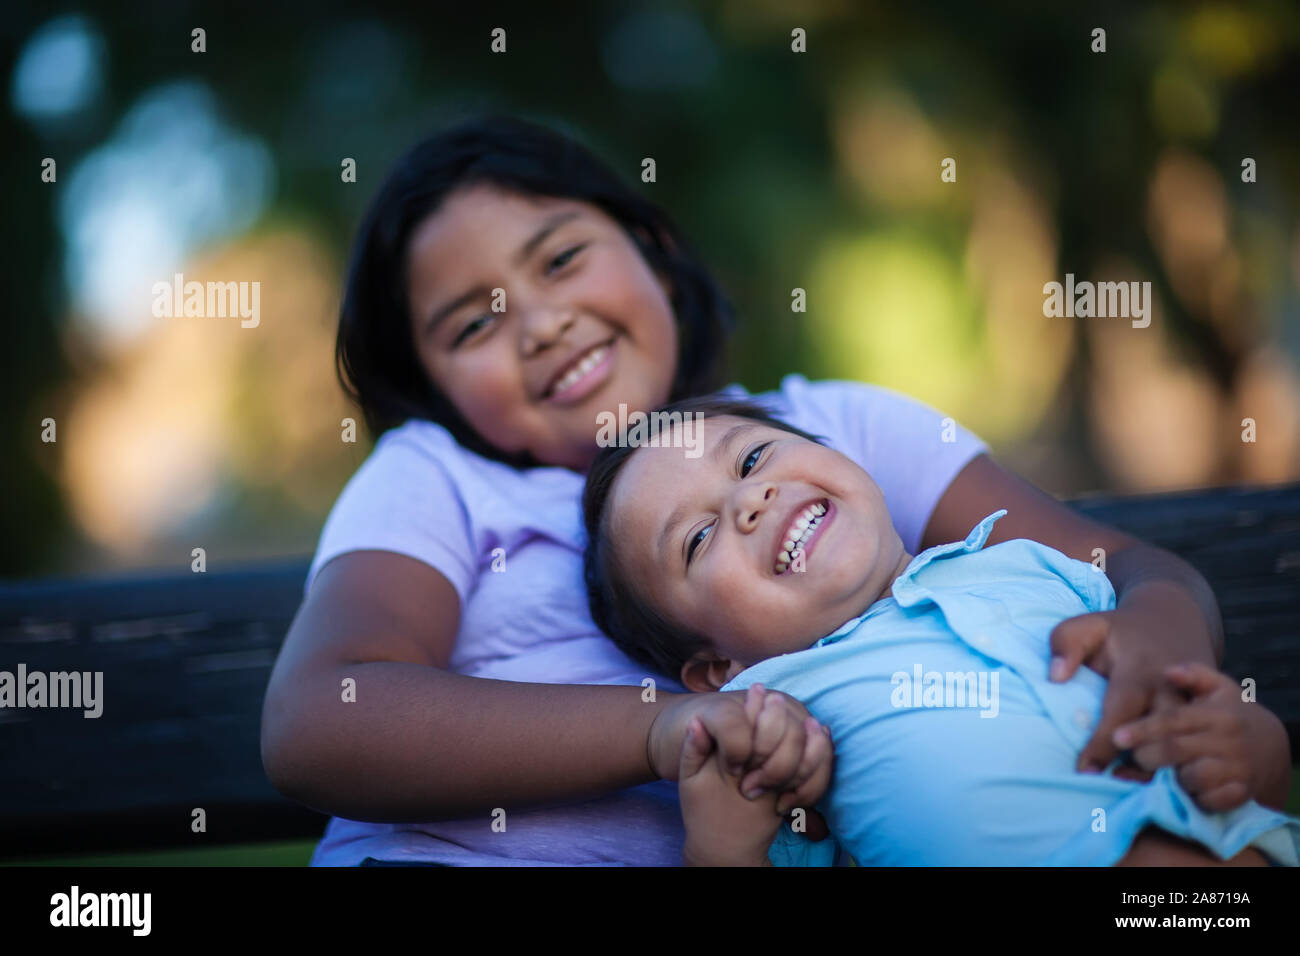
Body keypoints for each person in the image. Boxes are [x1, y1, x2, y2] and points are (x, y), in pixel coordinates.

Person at [259, 113, 1278, 866]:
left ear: (652, 249)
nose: (540, 322)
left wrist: (1161, 628)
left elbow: (1116, 569)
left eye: (562, 257)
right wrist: (667, 731)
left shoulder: (834, 430)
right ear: (432, 388)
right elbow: (319, 717)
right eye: (472, 324)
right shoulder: (434, 478)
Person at [580, 397, 1298, 866]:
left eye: (752, 458)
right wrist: (723, 850)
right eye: (699, 537)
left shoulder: (1035, 570)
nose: (751, 498)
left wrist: (1249, 746)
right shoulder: (777, 718)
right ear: (717, 668)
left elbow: (1242, 780)